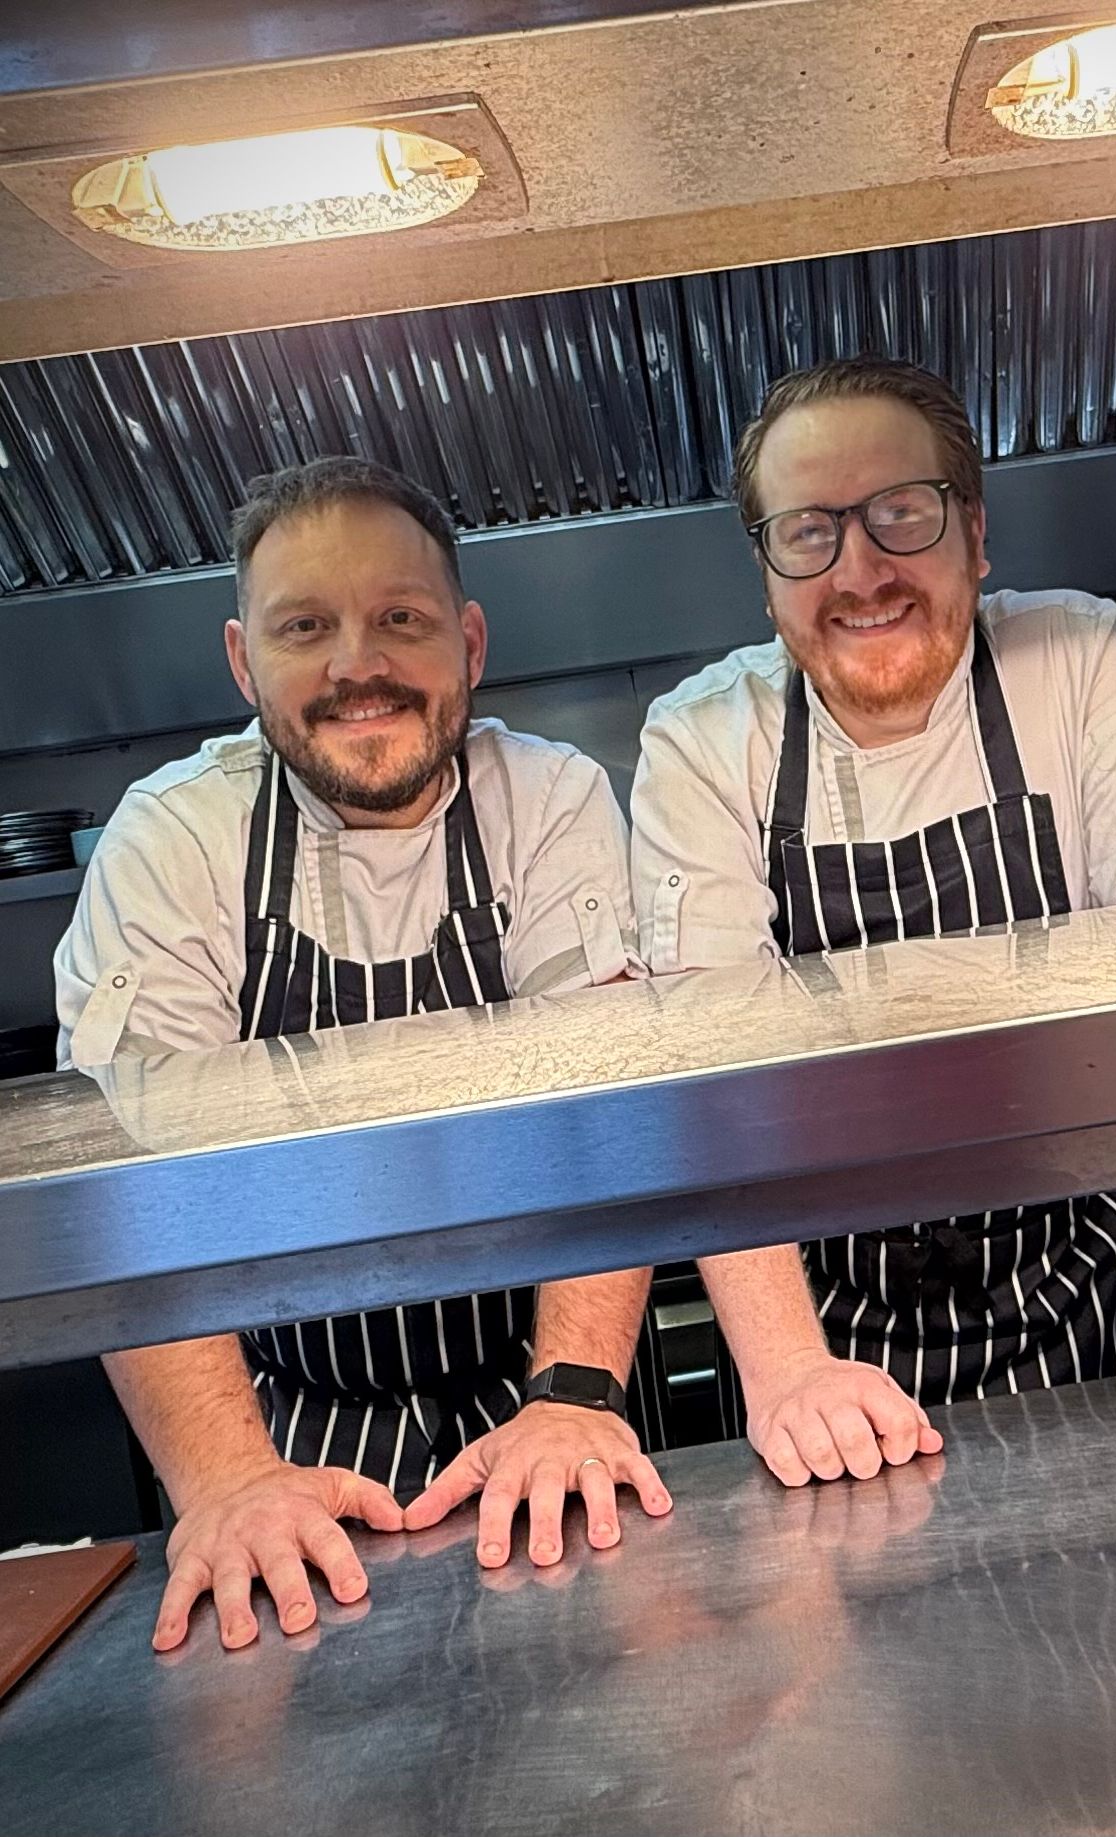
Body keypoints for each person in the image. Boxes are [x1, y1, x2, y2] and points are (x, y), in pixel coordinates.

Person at [629, 356, 1116, 1488]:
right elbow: (712, 1076)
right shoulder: (706, 741)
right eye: (808, 531)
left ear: (975, 534)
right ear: (765, 575)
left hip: (1090, 1308)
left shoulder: (1075, 655)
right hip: (831, 1346)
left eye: (901, 515)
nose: (861, 570)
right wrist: (786, 1367)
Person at [54, 457, 670, 1651]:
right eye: (305, 627)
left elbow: (612, 1109)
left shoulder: (548, 800)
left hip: (547, 1391)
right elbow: (123, 1182)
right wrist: (227, 1478)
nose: (357, 665)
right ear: (243, 662)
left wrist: (574, 1394)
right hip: (279, 1425)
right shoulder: (176, 836)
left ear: (470, 641)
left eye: (401, 618)